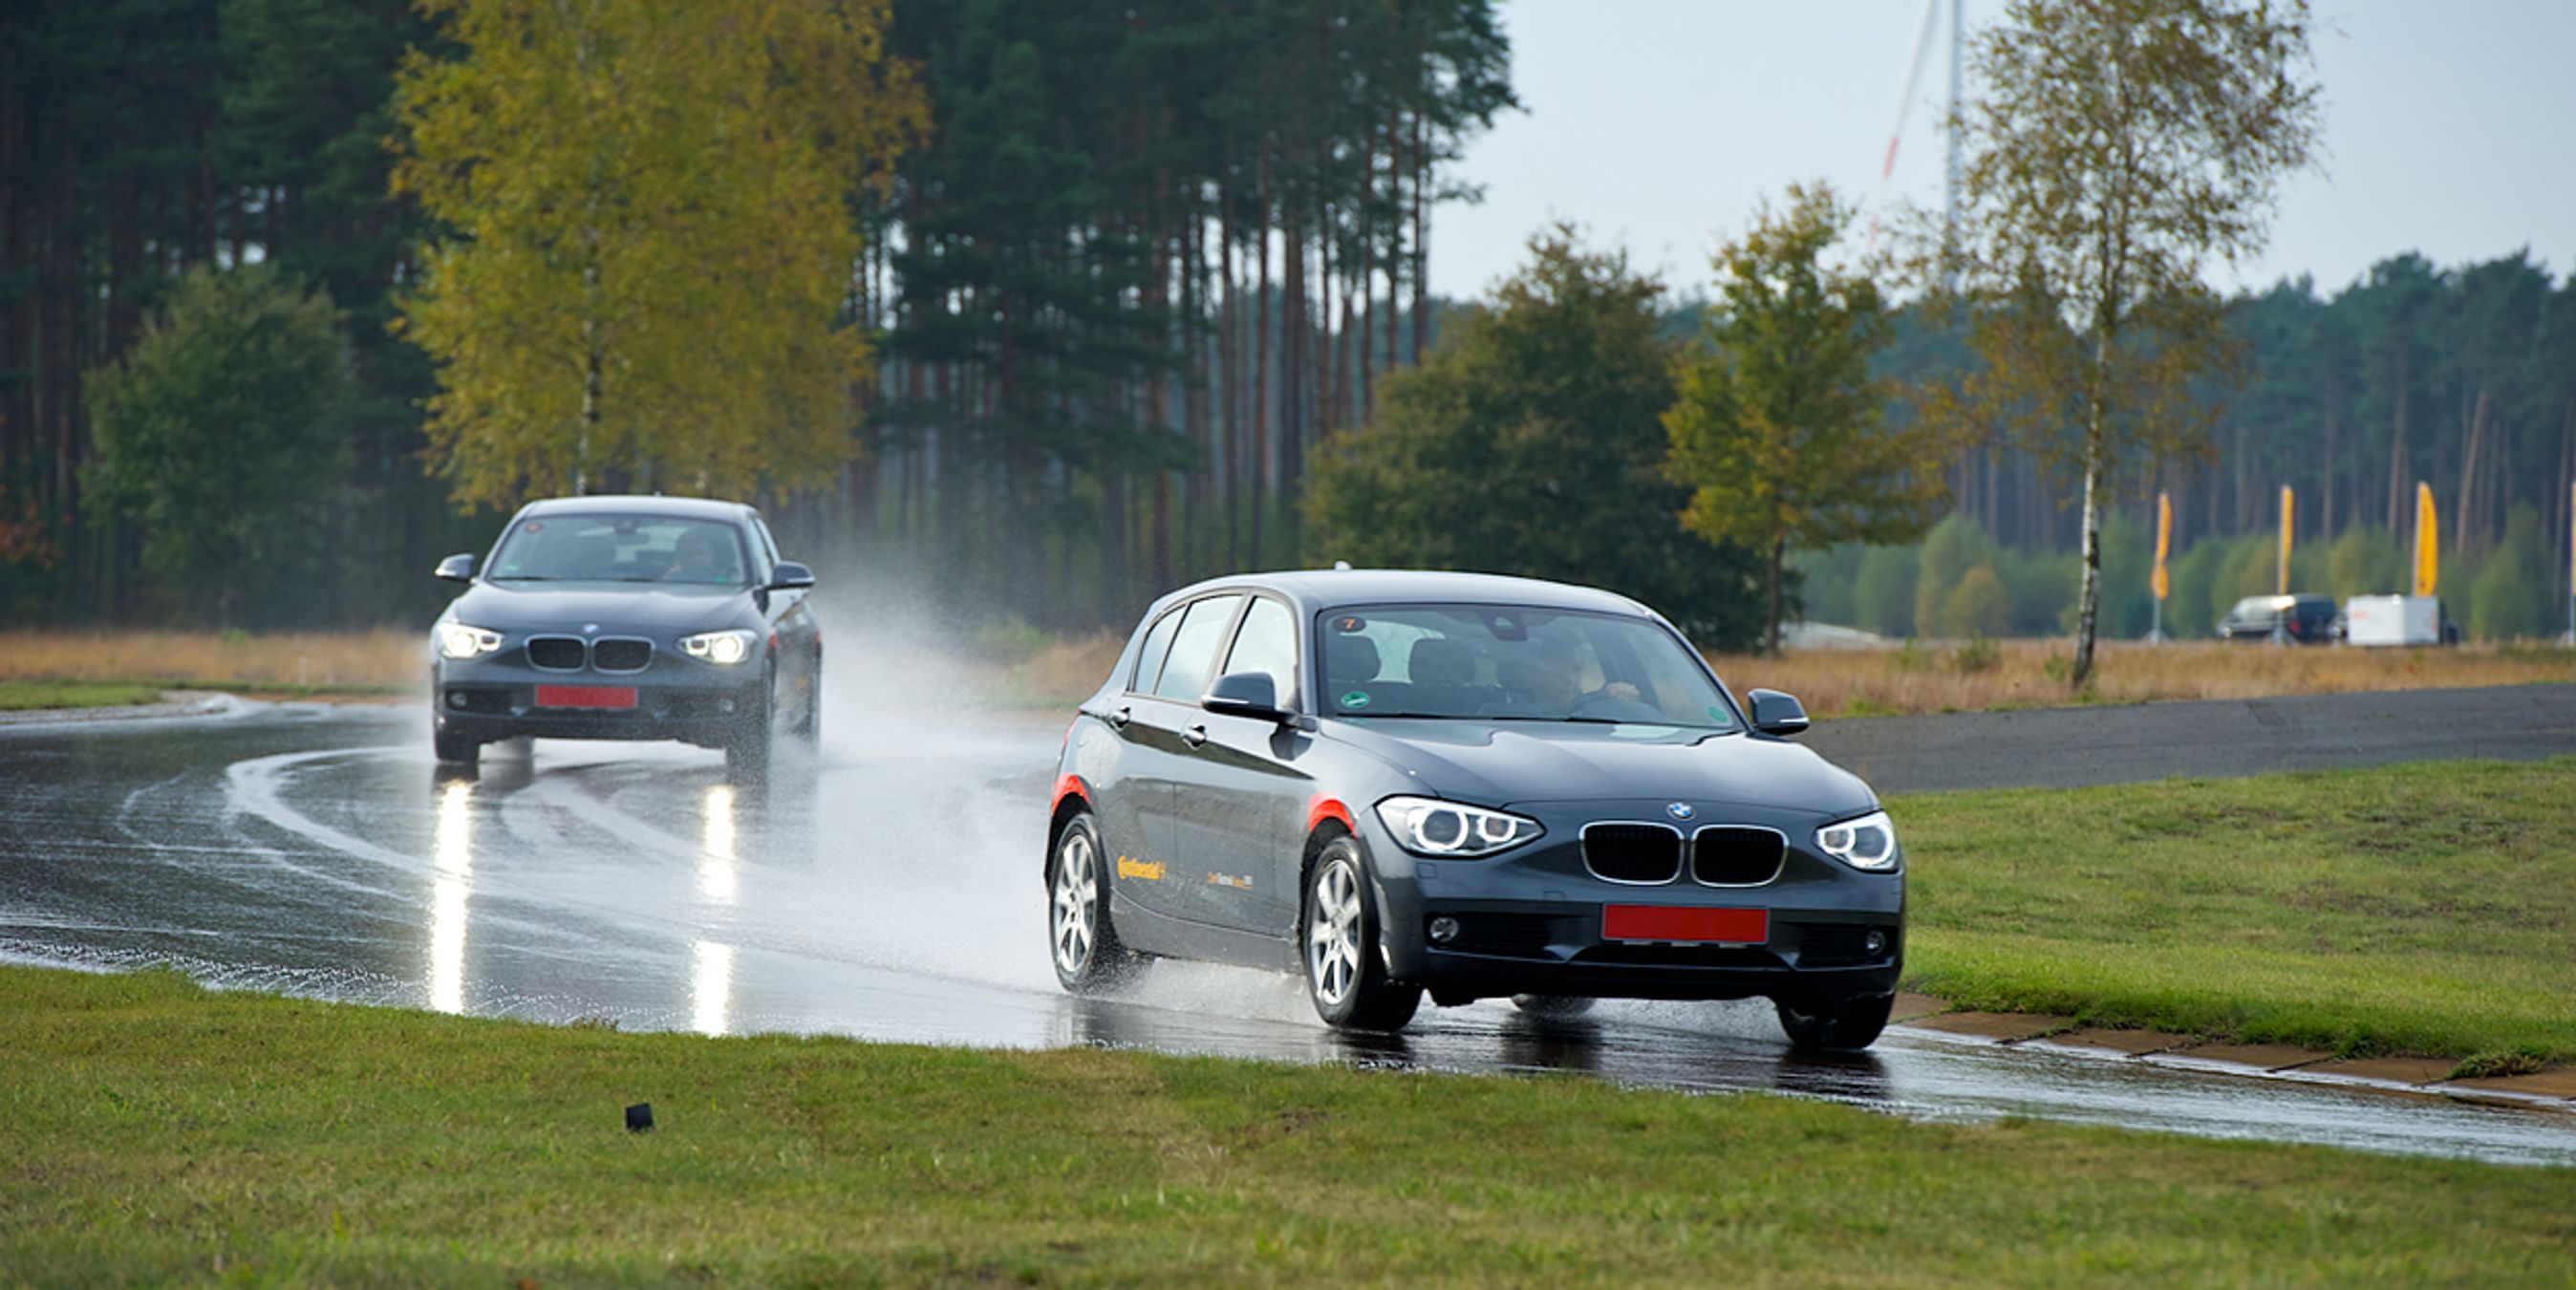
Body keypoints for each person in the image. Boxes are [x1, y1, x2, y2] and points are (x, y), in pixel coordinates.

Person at [664, 528, 736, 584]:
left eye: (700, 552)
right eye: (688, 553)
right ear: (679, 555)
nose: (694, 557)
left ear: (711, 555)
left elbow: (728, 588)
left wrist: (714, 573)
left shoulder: (720, 580)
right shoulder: (672, 577)